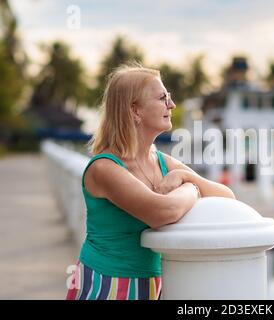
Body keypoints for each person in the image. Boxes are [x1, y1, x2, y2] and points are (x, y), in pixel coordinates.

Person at [66, 63, 235, 300]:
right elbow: (162, 211)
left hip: (152, 285)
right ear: (135, 111)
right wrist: (193, 188)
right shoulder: (105, 168)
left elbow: (228, 198)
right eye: (162, 98)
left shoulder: (161, 161)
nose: (172, 105)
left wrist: (185, 177)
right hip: (106, 285)